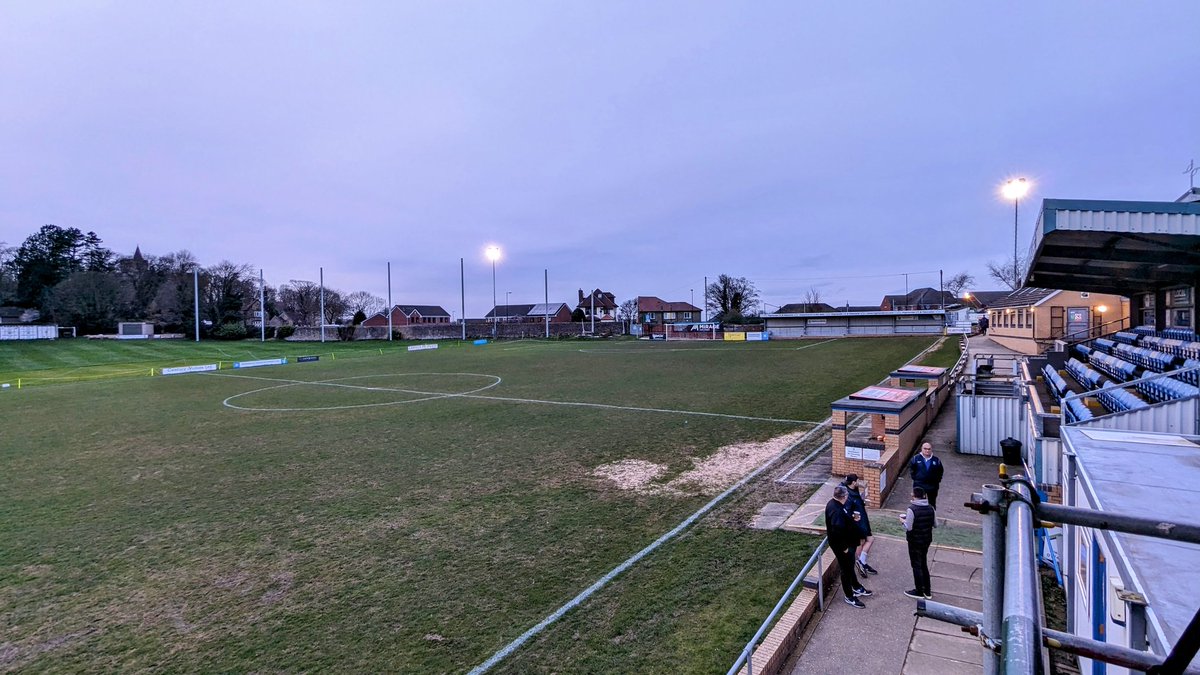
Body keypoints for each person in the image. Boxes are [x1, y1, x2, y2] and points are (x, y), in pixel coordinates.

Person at [825, 484, 873, 608]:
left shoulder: (838, 505)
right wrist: (844, 547)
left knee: (850, 566)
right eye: (846, 495)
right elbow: (837, 531)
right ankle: (849, 596)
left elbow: (843, 522)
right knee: (845, 570)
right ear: (844, 496)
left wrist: (853, 519)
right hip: (843, 546)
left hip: (849, 543)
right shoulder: (835, 510)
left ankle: (856, 586)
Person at [900, 486, 937, 599]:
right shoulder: (931, 508)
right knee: (923, 563)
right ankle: (927, 591)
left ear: (914, 496)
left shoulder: (912, 509)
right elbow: (936, 525)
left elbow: (909, 527)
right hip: (926, 540)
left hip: (915, 540)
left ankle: (919, 591)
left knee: (916, 565)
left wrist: (902, 521)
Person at [841, 474, 877, 576]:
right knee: (869, 539)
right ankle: (861, 561)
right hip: (858, 523)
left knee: (862, 542)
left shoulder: (853, 489)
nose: (858, 482)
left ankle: (862, 563)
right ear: (853, 482)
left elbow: (860, 499)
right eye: (857, 480)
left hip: (862, 520)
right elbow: (847, 511)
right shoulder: (849, 495)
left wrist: (863, 501)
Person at [908, 441, 944, 509]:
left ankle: (932, 518)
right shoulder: (916, 459)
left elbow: (940, 471)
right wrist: (917, 479)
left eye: (929, 449)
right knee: (918, 503)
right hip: (919, 485)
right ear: (921, 449)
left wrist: (937, 481)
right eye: (925, 448)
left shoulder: (936, 460)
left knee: (932, 504)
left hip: (932, 487)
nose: (927, 450)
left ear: (931, 449)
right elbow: (912, 470)